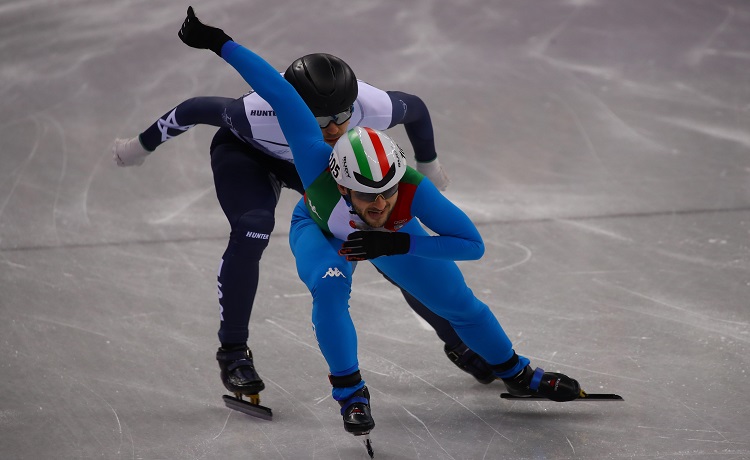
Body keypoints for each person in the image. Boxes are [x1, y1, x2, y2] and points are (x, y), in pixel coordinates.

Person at [176, 6, 585, 438]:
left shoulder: (411, 189)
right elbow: (279, 93)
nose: (380, 204)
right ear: (341, 182)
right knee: (330, 291)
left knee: (460, 305)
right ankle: (350, 392)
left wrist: (402, 245)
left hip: (396, 240)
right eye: (367, 197)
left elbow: (471, 245)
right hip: (323, 231)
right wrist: (219, 41)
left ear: (399, 177)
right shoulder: (315, 161)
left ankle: (517, 373)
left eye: (388, 192)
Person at [112, 18, 495, 405]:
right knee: (253, 226)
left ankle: (455, 338)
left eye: (342, 117)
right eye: (320, 119)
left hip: (316, 168)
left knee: (380, 241)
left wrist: (428, 166)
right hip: (247, 154)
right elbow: (193, 109)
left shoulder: (372, 105)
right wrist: (138, 148)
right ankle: (232, 351)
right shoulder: (255, 113)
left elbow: (416, 110)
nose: (333, 128)